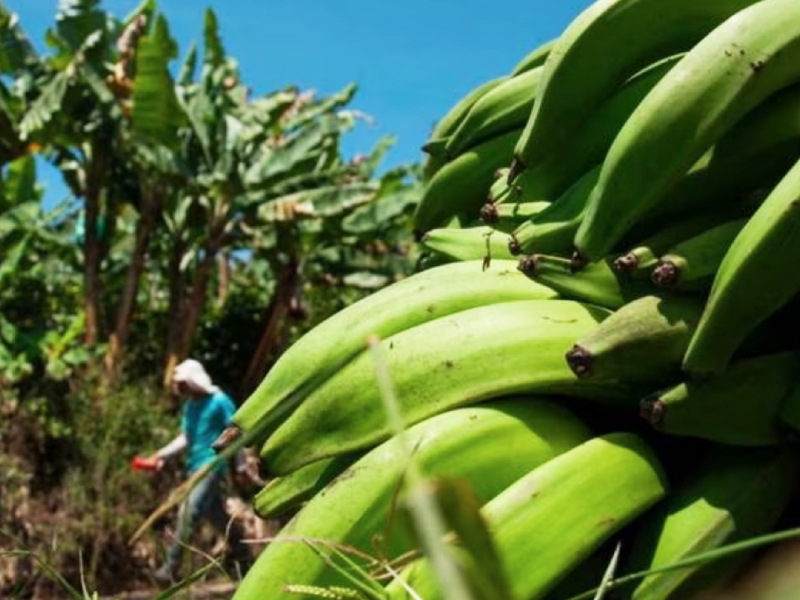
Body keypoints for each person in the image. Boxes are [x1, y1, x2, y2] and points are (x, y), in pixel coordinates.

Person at [147, 359, 253, 586]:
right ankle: (245, 558)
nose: (179, 388)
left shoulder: (219, 401)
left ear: (193, 381)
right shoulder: (191, 407)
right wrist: (161, 456)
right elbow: (186, 438)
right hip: (194, 467)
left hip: (212, 465)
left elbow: (236, 431)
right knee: (218, 518)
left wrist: (241, 465)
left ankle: (169, 569)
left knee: (189, 511)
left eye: (182, 383)